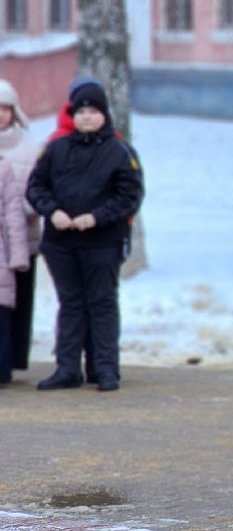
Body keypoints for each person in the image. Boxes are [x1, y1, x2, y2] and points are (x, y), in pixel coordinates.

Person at [25, 81, 144, 392]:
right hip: (61, 242)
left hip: (103, 241)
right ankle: (67, 368)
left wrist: (96, 217)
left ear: (104, 114)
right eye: (81, 111)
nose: (87, 117)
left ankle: (105, 369)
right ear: (73, 115)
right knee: (71, 303)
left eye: (93, 111)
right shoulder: (57, 148)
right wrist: (53, 211)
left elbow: (130, 195)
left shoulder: (119, 151)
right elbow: (36, 186)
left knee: (102, 303)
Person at [0, 79, 41, 378]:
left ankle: (13, 360)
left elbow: (40, 190)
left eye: (5, 108)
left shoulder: (31, 149)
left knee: (19, 302)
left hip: (23, 237)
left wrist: (15, 212)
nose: (0, 115)